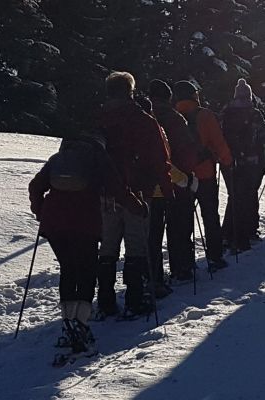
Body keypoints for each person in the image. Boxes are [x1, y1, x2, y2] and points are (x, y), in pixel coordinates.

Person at [94, 71, 180, 319]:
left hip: (106, 192)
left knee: (107, 247)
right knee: (136, 245)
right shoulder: (143, 120)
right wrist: (167, 190)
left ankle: (106, 302)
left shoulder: (97, 118)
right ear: (130, 91)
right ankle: (135, 299)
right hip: (137, 192)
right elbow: (159, 159)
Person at [27, 131, 116, 356]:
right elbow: (116, 188)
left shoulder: (58, 160)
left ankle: (67, 323)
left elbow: (36, 186)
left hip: (55, 224)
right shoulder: (97, 160)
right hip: (86, 223)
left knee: (68, 269)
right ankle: (81, 324)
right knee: (87, 271)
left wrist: (41, 212)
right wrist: (136, 206)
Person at [172, 81, 233, 271]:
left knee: (183, 219)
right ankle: (214, 256)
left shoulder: (172, 116)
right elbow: (218, 141)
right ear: (194, 95)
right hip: (205, 174)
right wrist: (227, 161)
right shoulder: (205, 115)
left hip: (181, 176)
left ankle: (184, 261)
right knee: (209, 216)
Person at [143, 80, 199, 288]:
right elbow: (186, 150)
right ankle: (181, 267)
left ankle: (153, 275)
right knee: (179, 227)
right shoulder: (176, 119)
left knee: (153, 234)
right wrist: (188, 176)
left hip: (148, 185)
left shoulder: (144, 116)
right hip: (176, 181)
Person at [218, 79, 265, 253]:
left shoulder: (225, 112)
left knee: (234, 196)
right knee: (247, 197)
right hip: (252, 162)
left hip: (229, 161)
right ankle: (244, 236)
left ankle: (227, 234)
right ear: (250, 96)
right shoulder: (254, 113)